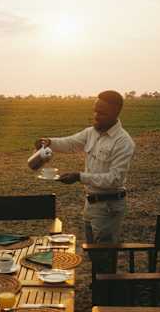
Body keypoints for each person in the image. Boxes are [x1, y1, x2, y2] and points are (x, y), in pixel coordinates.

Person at [35, 90, 135, 245]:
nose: (96, 115)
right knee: (93, 253)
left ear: (115, 112)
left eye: (101, 112)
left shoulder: (123, 142)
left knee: (104, 255)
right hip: (91, 204)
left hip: (108, 208)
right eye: (95, 110)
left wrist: (79, 176)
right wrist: (49, 142)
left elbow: (115, 179)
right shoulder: (92, 132)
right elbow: (70, 143)